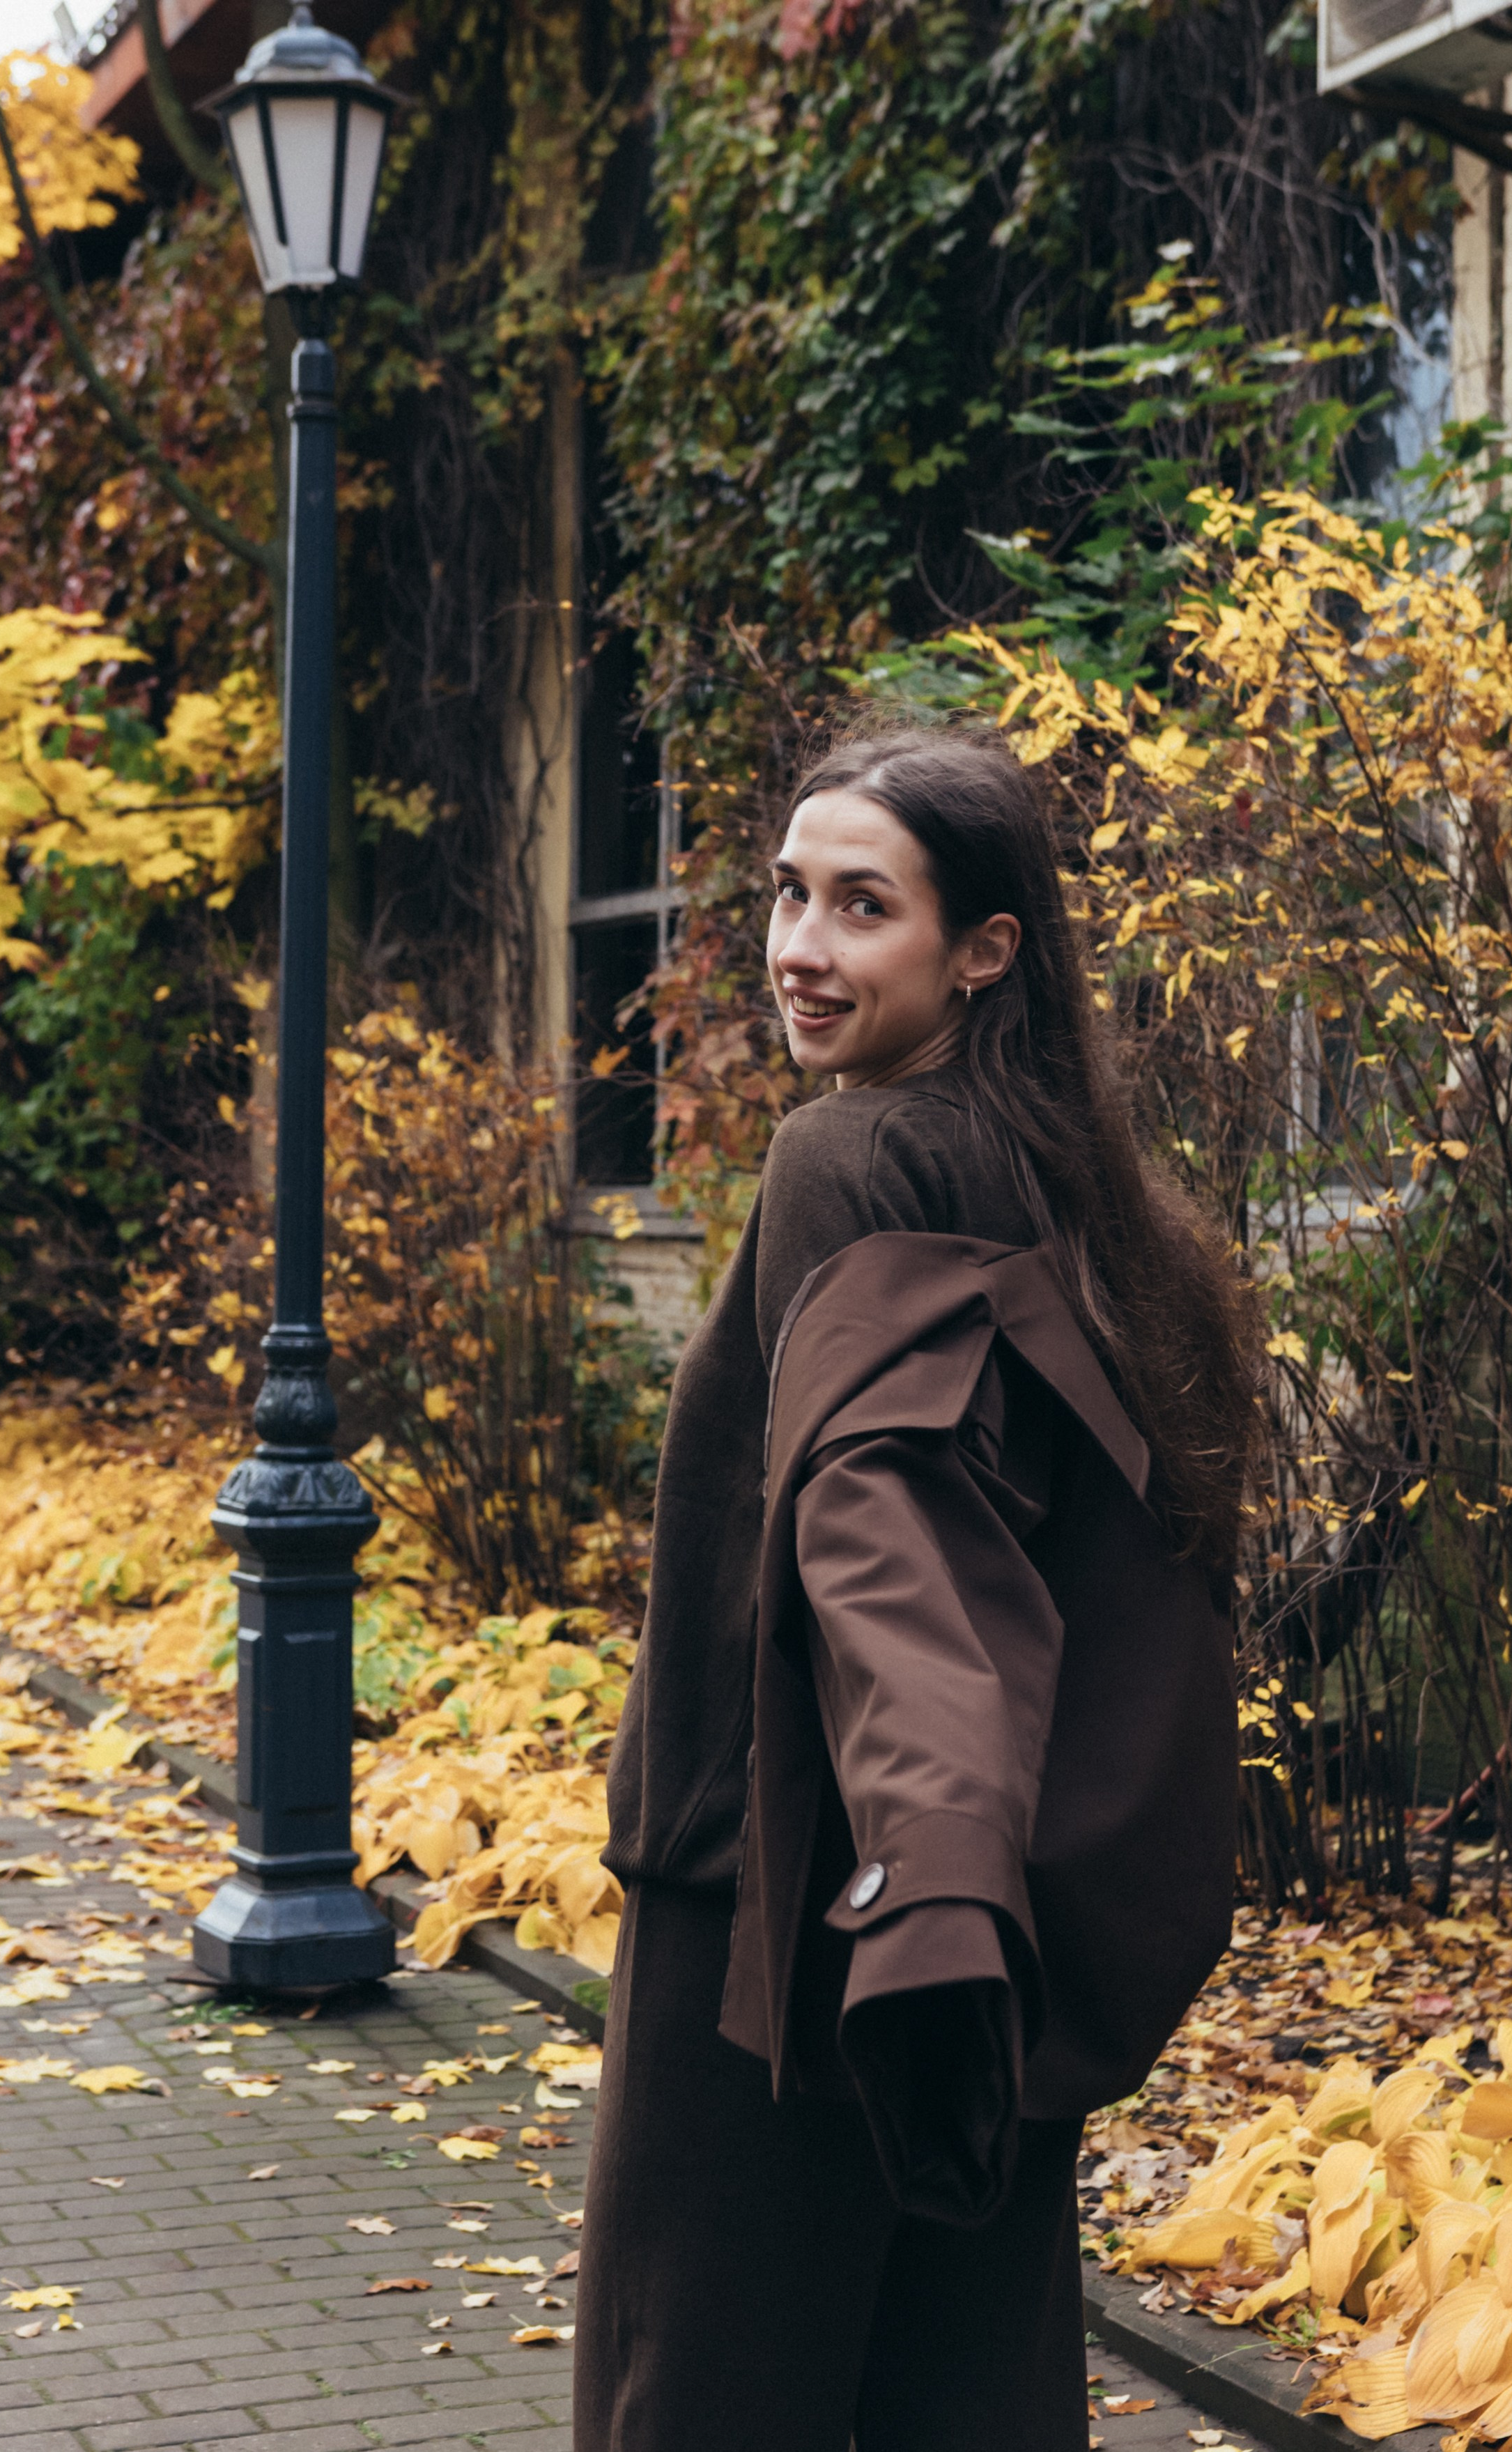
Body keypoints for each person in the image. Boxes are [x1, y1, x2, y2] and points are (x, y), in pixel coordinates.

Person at [572, 724, 1257, 2452]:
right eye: (790, 894)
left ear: (984, 948)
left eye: (862, 905)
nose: (802, 946)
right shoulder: (1082, 1193)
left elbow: (887, 1530)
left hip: (790, 1910)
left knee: (708, 2391)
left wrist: (927, 1897)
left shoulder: (848, 1162)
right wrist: (971, 1909)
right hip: (978, 1911)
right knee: (970, 2390)